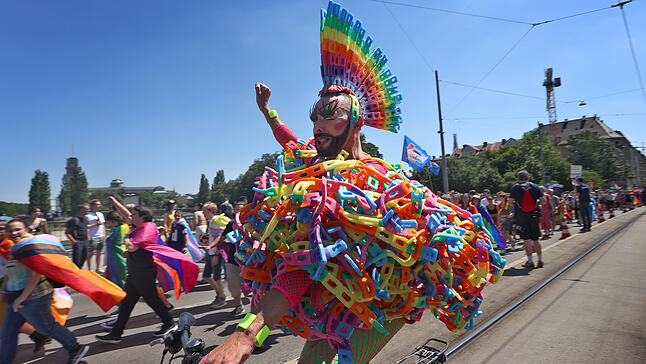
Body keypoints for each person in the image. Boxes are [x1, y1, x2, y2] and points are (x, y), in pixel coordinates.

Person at [0, 219, 89, 364]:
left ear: (26, 229)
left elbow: (35, 273)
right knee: (7, 333)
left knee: (47, 328)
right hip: (17, 299)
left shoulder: (29, 246)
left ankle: (75, 348)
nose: (14, 233)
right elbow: (10, 273)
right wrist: (4, 291)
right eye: (10, 230)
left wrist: (23, 297)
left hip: (34, 297)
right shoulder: (15, 248)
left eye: (17, 229)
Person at [96, 201, 176, 344]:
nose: (131, 217)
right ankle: (116, 334)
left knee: (153, 300)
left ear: (142, 217)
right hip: (136, 273)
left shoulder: (148, 229)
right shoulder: (139, 227)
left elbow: (133, 247)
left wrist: (127, 238)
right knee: (127, 304)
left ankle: (169, 324)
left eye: (134, 215)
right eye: (131, 215)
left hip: (143, 272)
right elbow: (125, 214)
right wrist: (114, 201)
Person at [509, 170, 545, 269]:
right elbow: (544, 201)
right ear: (528, 177)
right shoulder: (535, 187)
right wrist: (536, 204)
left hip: (521, 216)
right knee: (536, 239)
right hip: (534, 215)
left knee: (526, 240)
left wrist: (517, 205)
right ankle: (540, 259)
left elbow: (510, 202)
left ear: (518, 178)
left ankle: (530, 261)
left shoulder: (515, 188)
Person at [201, 202, 229, 309]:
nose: (203, 213)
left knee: (216, 277)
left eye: (205, 211)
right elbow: (210, 238)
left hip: (216, 253)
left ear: (211, 211)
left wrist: (216, 254)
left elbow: (220, 238)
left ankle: (221, 297)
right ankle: (220, 293)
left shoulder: (215, 221)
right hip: (211, 252)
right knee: (206, 276)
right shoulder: (211, 221)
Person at [222, 202, 246, 317]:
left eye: (240, 210)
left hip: (250, 261)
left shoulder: (252, 224)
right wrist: (213, 247)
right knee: (233, 285)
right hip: (233, 259)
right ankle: (239, 305)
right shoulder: (231, 224)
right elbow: (222, 238)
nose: (238, 212)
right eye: (236, 210)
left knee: (257, 287)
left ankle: (260, 308)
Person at [65, 204, 90, 269]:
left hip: (85, 241)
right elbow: (67, 232)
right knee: (77, 260)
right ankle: (75, 272)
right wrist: (74, 241)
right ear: (81, 210)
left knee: (84, 258)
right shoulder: (74, 220)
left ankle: (79, 271)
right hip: (78, 242)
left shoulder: (85, 218)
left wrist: (88, 240)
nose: (89, 210)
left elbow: (86, 229)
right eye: (87, 209)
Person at [85, 199, 106, 272]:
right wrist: (95, 224)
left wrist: (104, 235)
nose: (99, 206)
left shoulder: (100, 214)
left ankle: (98, 268)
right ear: (93, 206)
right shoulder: (88, 216)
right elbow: (86, 226)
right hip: (93, 236)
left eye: (99, 204)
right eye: (97, 204)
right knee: (90, 253)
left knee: (99, 253)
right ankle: (90, 269)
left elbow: (103, 225)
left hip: (101, 236)